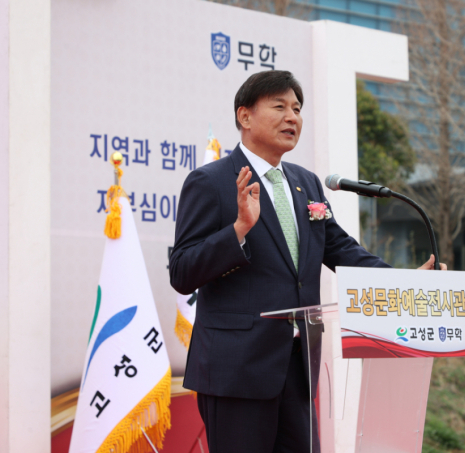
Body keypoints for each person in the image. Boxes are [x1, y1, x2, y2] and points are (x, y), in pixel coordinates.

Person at [169, 70, 445, 453]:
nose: (292, 117)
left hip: (298, 369)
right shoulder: (211, 182)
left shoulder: (307, 183)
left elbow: (341, 250)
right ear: (245, 116)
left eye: (297, 109)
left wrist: (404, 282)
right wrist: (238, 229)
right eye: (279, 106)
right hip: (237, 372)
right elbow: (182, 271)